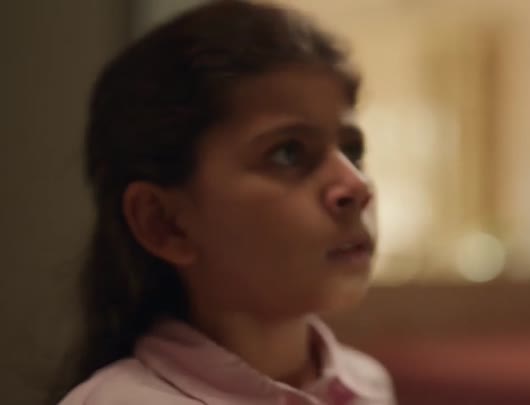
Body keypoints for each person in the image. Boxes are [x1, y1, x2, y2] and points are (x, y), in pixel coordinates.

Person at [53, 1, 393, 404]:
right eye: (288, 153)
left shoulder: (368, 386)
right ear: (164, 223)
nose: (356, 185)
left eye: (353, 151)